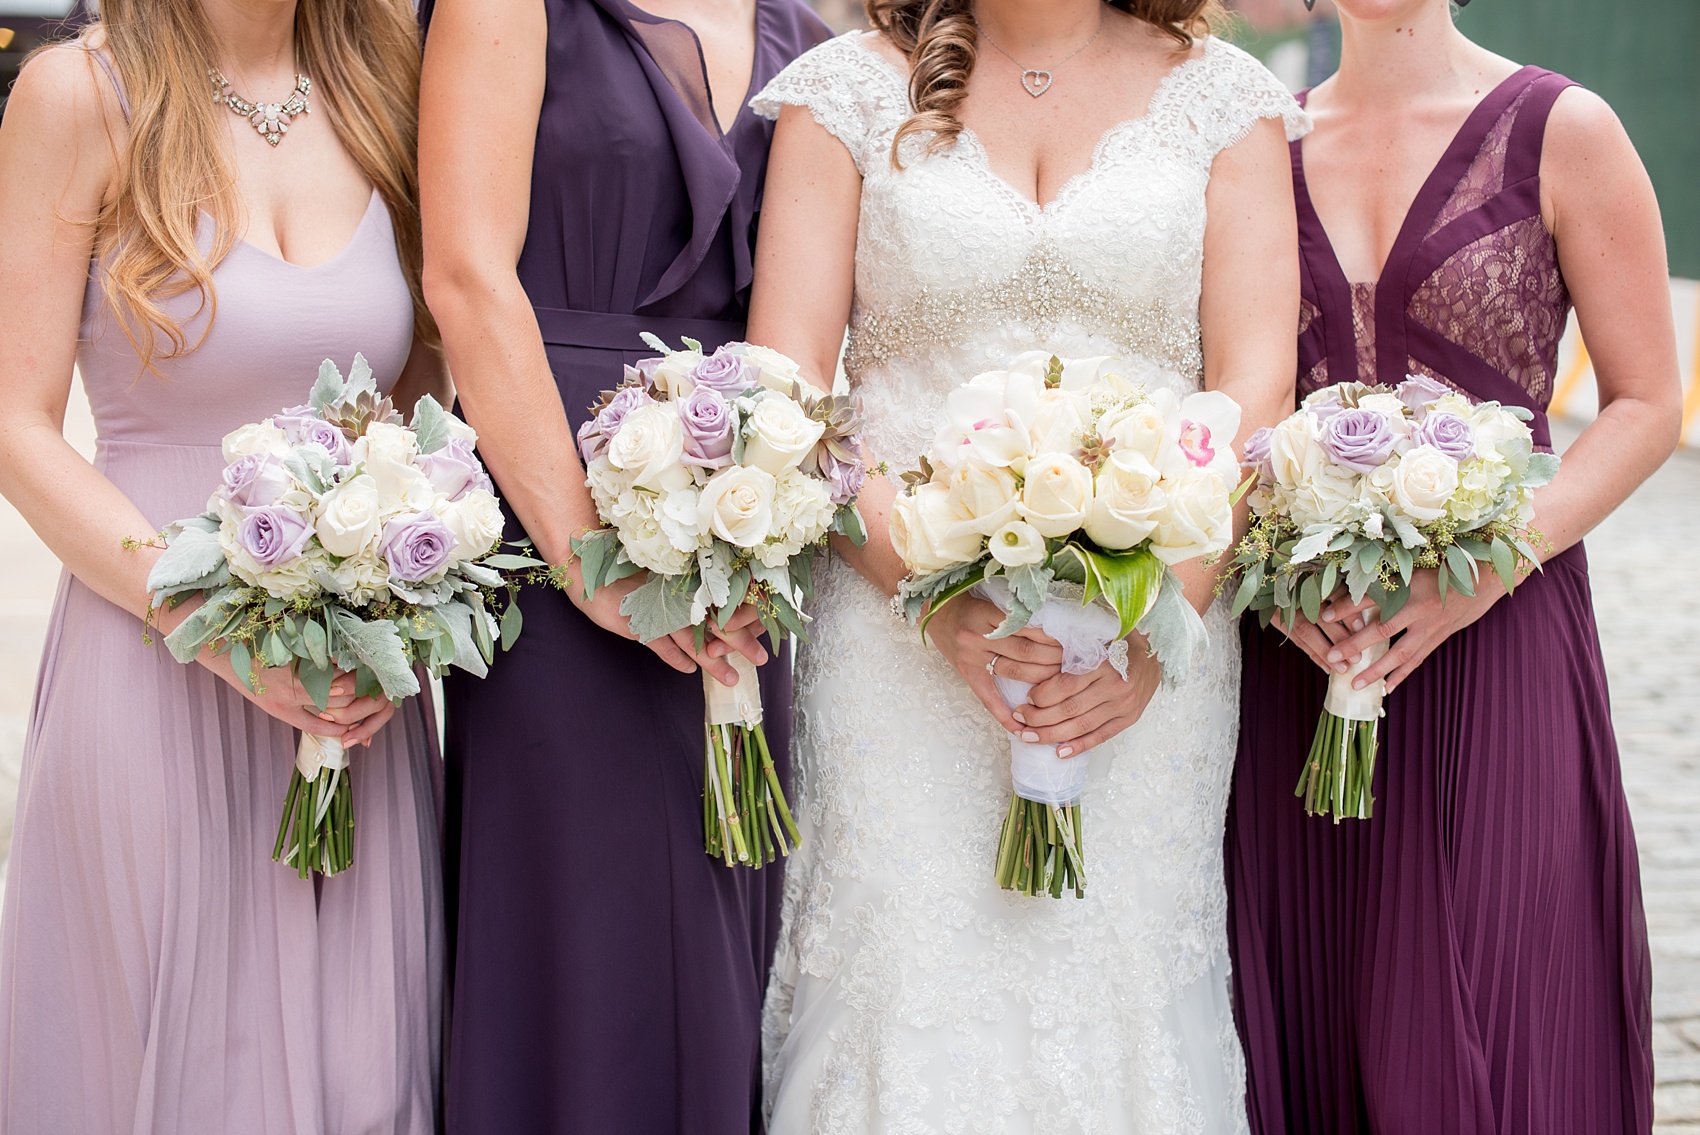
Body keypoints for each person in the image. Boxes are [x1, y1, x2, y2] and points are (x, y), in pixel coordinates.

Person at [744, 0, 1305, 1127]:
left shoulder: (1222, 98)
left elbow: (1256, 388)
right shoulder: (841, 92)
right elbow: (785, 383)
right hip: (891, 631)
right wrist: (929, 594)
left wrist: (1157, 631)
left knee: (1119, 979)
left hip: (1151, 633)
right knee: (903, 973)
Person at [1225, 1, 1682, 1132]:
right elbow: (1222, 406)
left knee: (1503, 1009)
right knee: (1313, 1007)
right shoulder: (1249, 147)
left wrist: (1489, 567)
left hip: (1501, 642)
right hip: (1297, 651)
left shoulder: (1561, 129)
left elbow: (1645, 401)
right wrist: (1269, 575)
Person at [0, 0, 447, 1129]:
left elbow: (417, 403)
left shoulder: (390, 82)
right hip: (147, 651)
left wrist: (403, 586)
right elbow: (12, 421)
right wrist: (212, 618)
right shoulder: (80, 95)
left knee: (365, 1072)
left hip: (350, 690)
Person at [416, 0, 828, 1128]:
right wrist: (589, 559)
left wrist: (763, 511)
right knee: (585, 941)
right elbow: (463, 276)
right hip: (561, 523)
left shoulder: (798, 27)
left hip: (743, 519)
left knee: (725, 924)